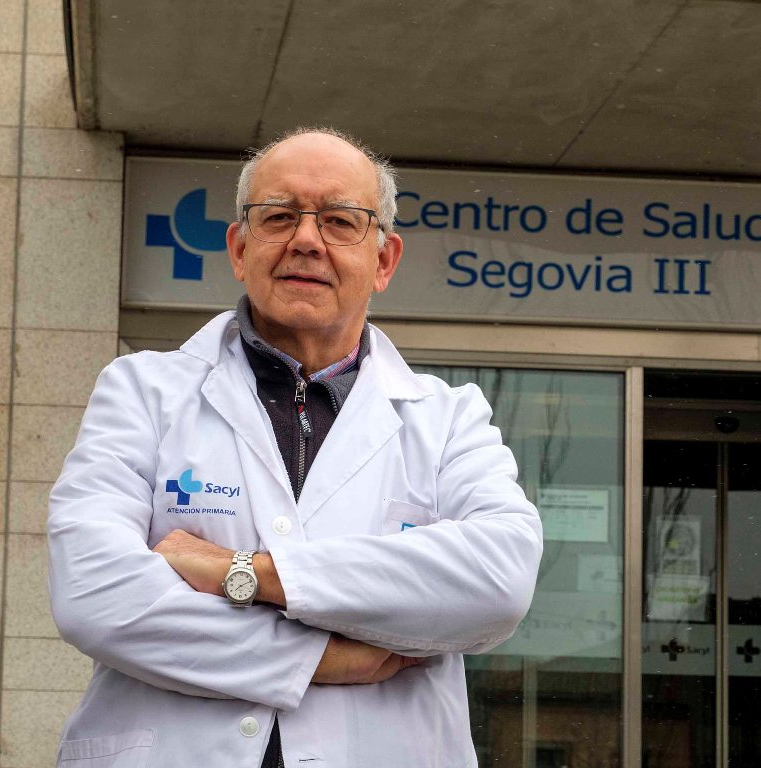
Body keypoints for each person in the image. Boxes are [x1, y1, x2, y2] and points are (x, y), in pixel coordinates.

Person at [48, 127, 542, 768]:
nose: (305, 239)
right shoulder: (142, 391)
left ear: (384, 261)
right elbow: (94, 592)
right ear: (238, 247)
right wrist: (319, 658)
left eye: (340, 221)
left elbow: (495, 584)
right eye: (278, 216)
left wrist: (242, 574)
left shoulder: (448, 418)